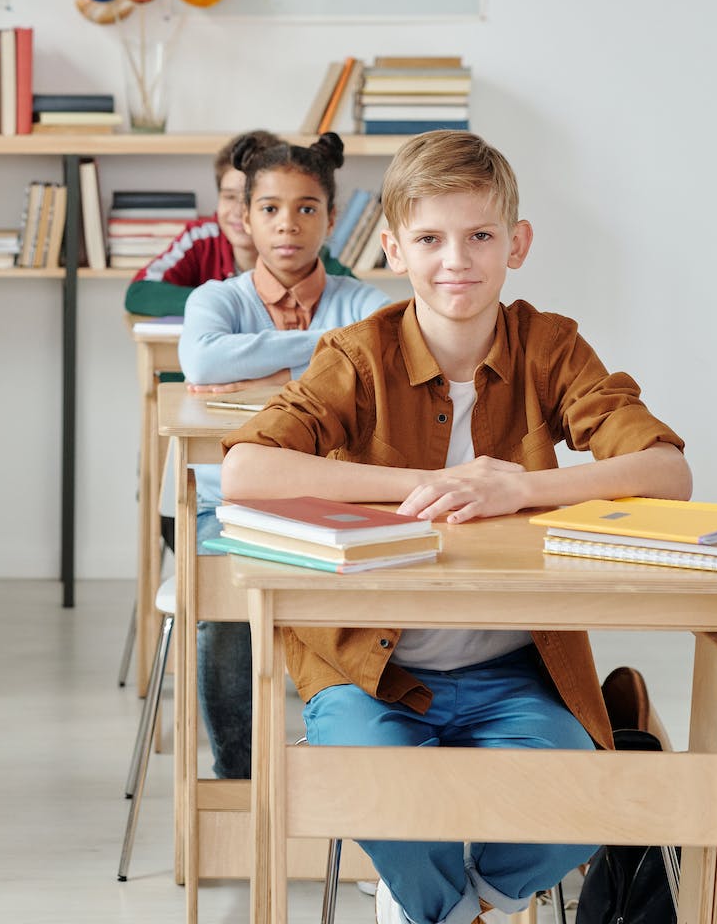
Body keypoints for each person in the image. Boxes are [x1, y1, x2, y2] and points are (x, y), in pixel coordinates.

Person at [221, 130, 693, 924]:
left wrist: (521, 488)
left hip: (517, 672)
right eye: (431, 239)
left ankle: (480, 901)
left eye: (480, 237)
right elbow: (246, 469)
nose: (457, 261)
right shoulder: (357, 353)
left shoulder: (551, 346)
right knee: (379, 786)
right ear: (394, 247)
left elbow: (666, 472)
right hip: (371, 671)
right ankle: (442, 907)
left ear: (518, 243)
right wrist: (431, 483)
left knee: (590, 795)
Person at [176, 131, 387, 782]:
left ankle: (365, 793)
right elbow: (205, 359)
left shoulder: (365, 301)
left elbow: (384, 346)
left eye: (305, 208)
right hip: (233, 510)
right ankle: (240, 785)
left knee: (398, 603)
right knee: (226, 615)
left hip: (348, 509)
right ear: (245, 216)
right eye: (269, 208)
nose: (287, 225)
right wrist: (330, 351)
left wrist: (263, 368)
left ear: (331, 216)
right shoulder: (218, 299)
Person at [123, 128, 353, 318]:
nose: (238, 211)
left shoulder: (300, 250)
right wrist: (228, 304)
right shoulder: (202, 238)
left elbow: (355, 298)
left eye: (264, 205)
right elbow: (139, 293)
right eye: (229, 196)